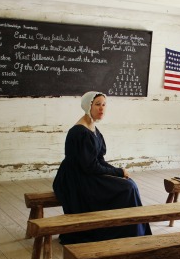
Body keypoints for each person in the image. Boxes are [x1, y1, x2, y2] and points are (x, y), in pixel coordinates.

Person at [53, 91, 151, 244]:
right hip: (75, 180)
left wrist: (119, 173)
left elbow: (99, 160)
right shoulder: (80, 132)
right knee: (128, 188)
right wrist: (117, 172)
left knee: (129, 184)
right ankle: (125, 232)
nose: (102, 108)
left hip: (86, 174)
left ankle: (132, 231)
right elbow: (90, 167)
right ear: (88, 106)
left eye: (104, 105)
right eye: (97, 104)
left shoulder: (92, 128)